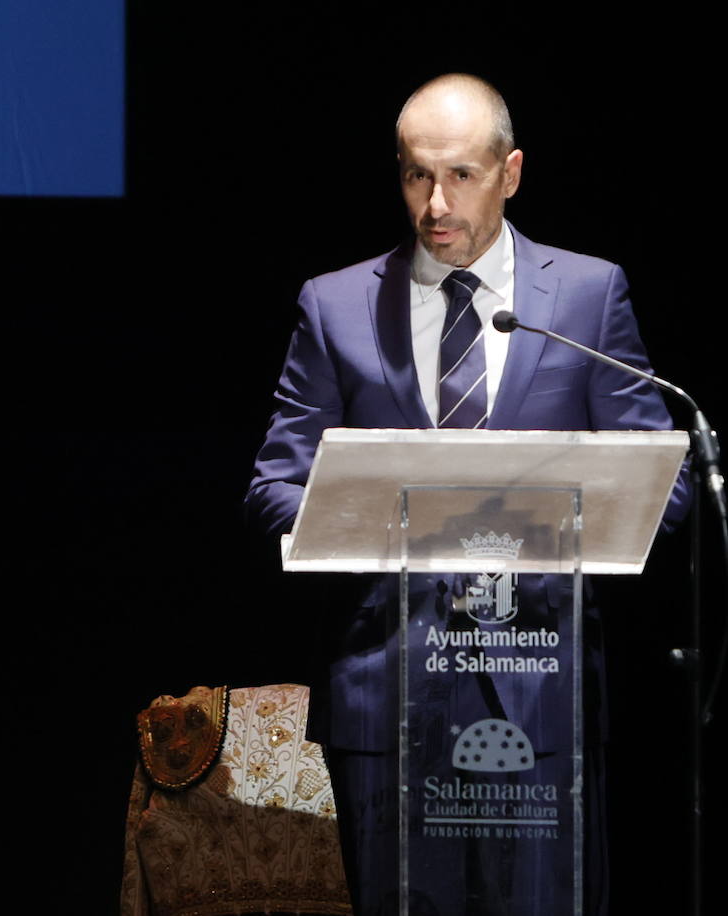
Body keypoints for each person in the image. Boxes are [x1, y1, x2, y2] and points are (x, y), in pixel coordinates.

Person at [244, 74, 688, 915]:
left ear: (510, 172)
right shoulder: (336, 305)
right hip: (386, 692)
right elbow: (274, 485)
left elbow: (661, 485)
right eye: (416, 175)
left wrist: (534, 533)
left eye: (460, 176)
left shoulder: (587, 299)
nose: (434, 203)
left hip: (542, 689)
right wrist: (369, 520)